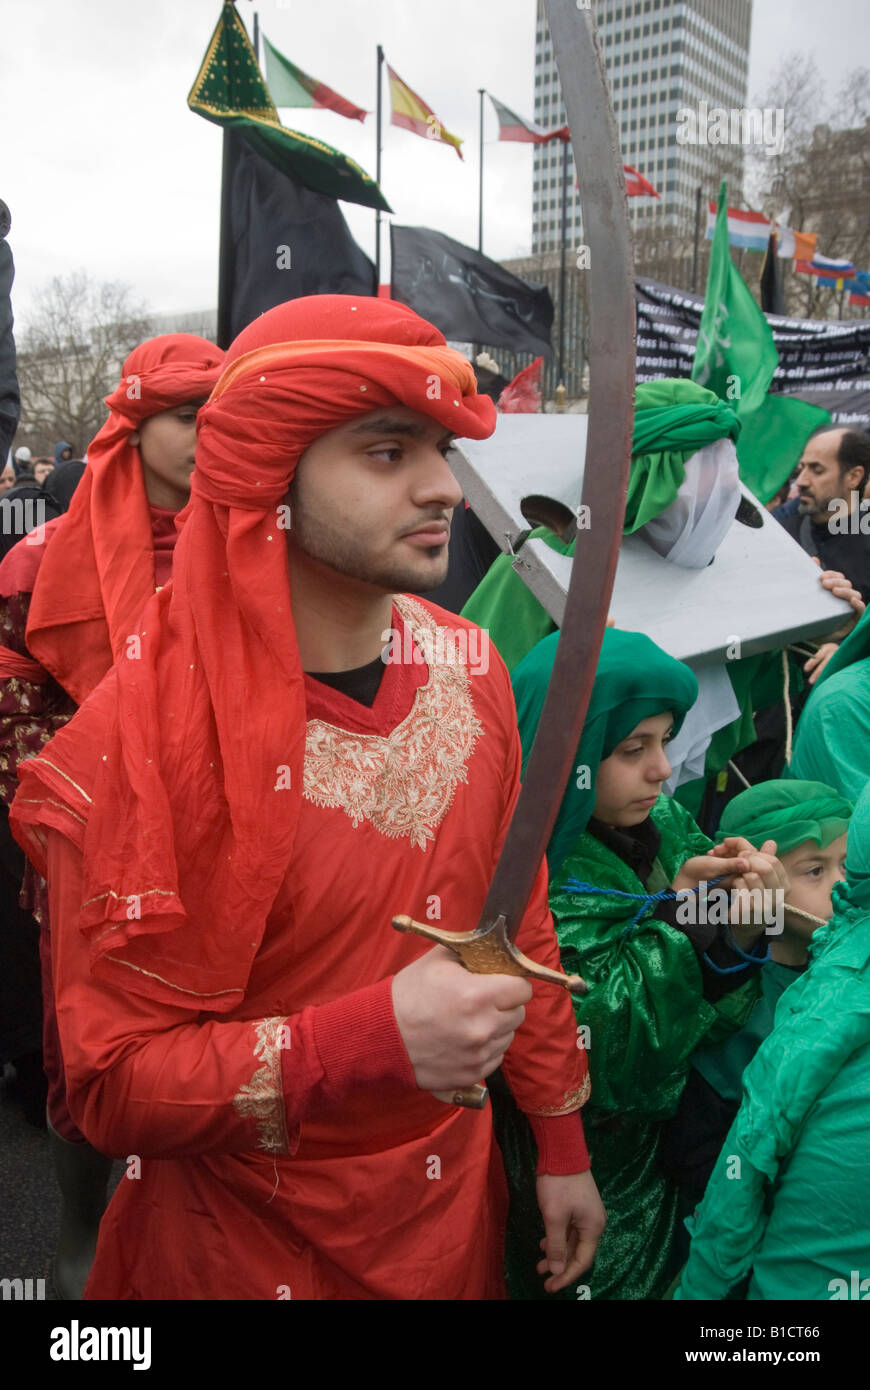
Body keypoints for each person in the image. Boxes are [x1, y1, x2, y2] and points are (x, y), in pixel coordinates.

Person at [10, 295, 603, 1302]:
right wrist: (365, 1040)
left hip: (446, 1222)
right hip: (231, 1249)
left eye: (441, 452)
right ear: (268, 473)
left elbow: (517, 916)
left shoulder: (474, 665)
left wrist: (558, 1137)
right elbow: (109, 1085)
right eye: (386, 452)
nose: (443, 489)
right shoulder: (131, 746)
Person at [0, 331, 224, 1299]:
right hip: (93, 855)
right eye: (186, 416)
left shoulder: (265, 539)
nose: (206, 435)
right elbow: (19, 711)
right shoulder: (44, 557)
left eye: (221, 415)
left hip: (232, 841)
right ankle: (82, 1240)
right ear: (133, 424)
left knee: (217, 1048)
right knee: (93, 1051)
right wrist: (100, 812)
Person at [495, 626, 785, 1300]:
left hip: (671, 1159)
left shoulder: (666, 826)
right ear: (568, 756)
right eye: (633, 748)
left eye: (664, 740)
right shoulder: (528, 877)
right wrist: (689, 926)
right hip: (578, 1177)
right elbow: (596, 1050)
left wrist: (752, 915)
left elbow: (709, 1017)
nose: (662, 768)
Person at [676, 780, 870, 1301]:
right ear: (753, 883)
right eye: (814, 870)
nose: (839, 886)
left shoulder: (846, 975)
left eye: (848, 866)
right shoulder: (724, 976)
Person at [772, 427, 870, 602]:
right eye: (801, 469)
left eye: (817, 470)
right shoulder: (778, 535)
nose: (801, 482)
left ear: (854, 477)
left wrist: (857, 624)